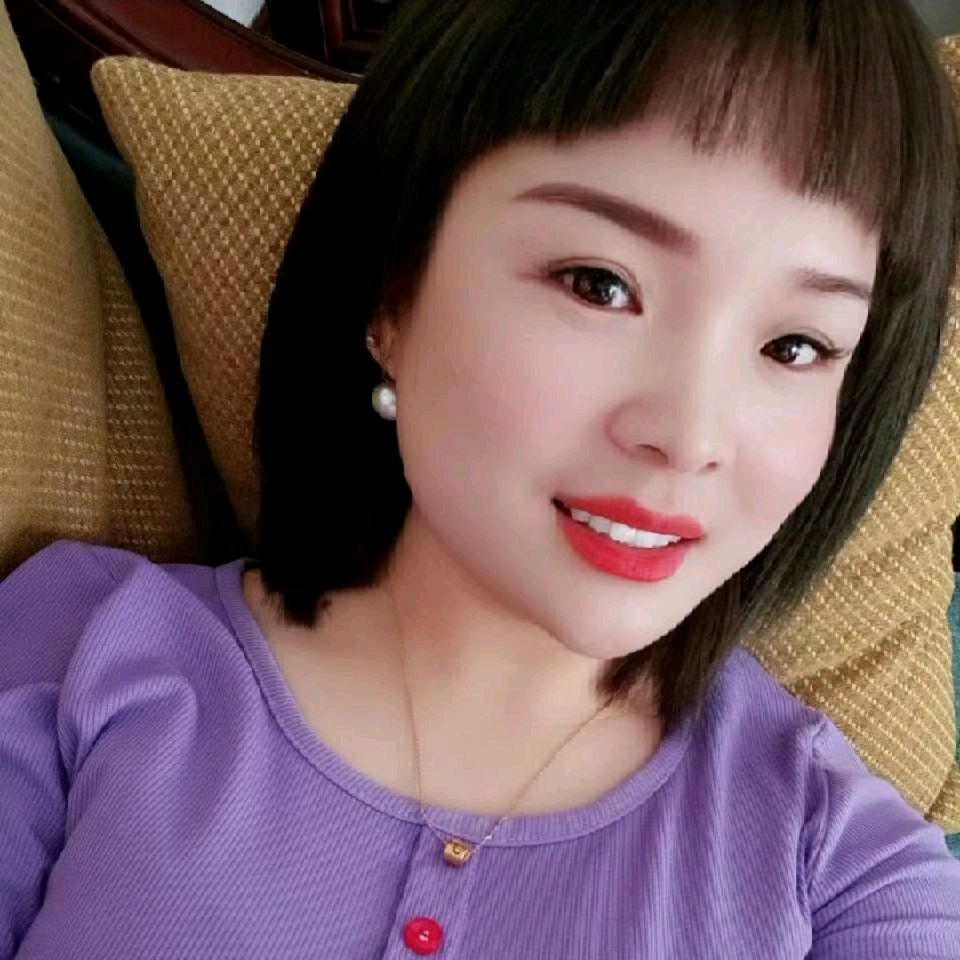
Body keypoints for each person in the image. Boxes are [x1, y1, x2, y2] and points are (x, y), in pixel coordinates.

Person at [2, 0, 960, 956]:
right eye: (600, 284)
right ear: (392, 292)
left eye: (796, 346)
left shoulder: (844, 867)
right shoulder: (82, 659)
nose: (690, 435)